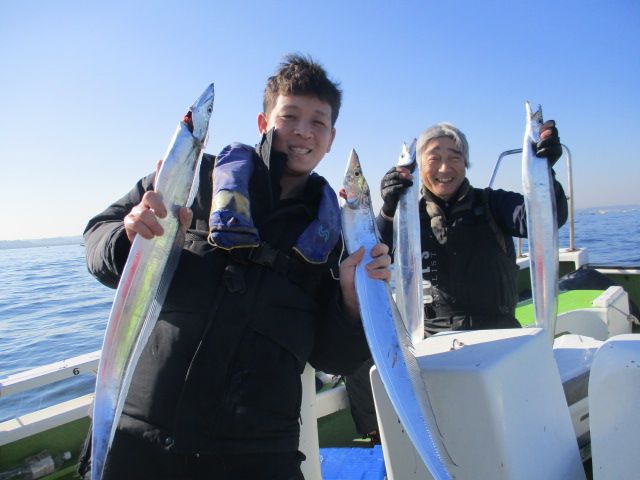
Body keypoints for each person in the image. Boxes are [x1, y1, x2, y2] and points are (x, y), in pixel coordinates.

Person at [82, 54, 391, 480]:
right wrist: (129, 237)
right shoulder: (192, 179)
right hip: (140, 438)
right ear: (263, 122)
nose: (303, 131)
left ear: (331, 138)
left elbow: (334, 358)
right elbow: (97, 239)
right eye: (289, 116)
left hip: (258, 455)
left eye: (318, 122)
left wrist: (353, 306)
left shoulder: (339, 238)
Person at [346, 120, 568, 442]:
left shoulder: (494, 204)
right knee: (361, 365)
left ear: (466, 163)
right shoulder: (408, 216)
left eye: (454, 156)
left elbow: (544, 218)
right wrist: (389, 209)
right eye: (434, 157)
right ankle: (384, 440)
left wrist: (546, 170)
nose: (444, 167)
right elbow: (372, 254)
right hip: (432, 342)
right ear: (419, 166)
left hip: (498, 337)